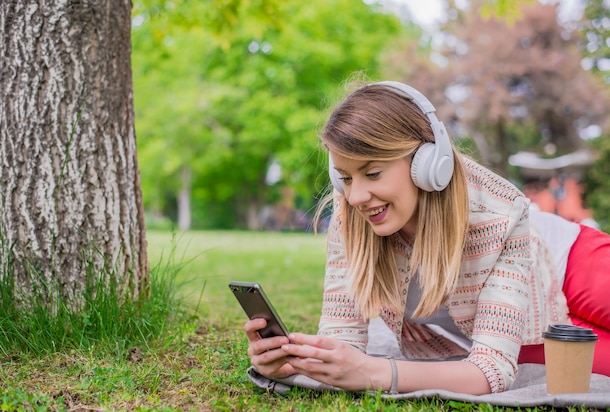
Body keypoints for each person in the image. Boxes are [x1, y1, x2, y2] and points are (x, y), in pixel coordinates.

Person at [243, 81, 610, 395]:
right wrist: (294, 365)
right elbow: (346, 344)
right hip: (530, 324)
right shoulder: (351, 217)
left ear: (428, 165)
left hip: (569, 260)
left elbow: (489, 372)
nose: (355, 197)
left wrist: (376, 372)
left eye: (372, 173)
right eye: (347, 178)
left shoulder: (500, 214)